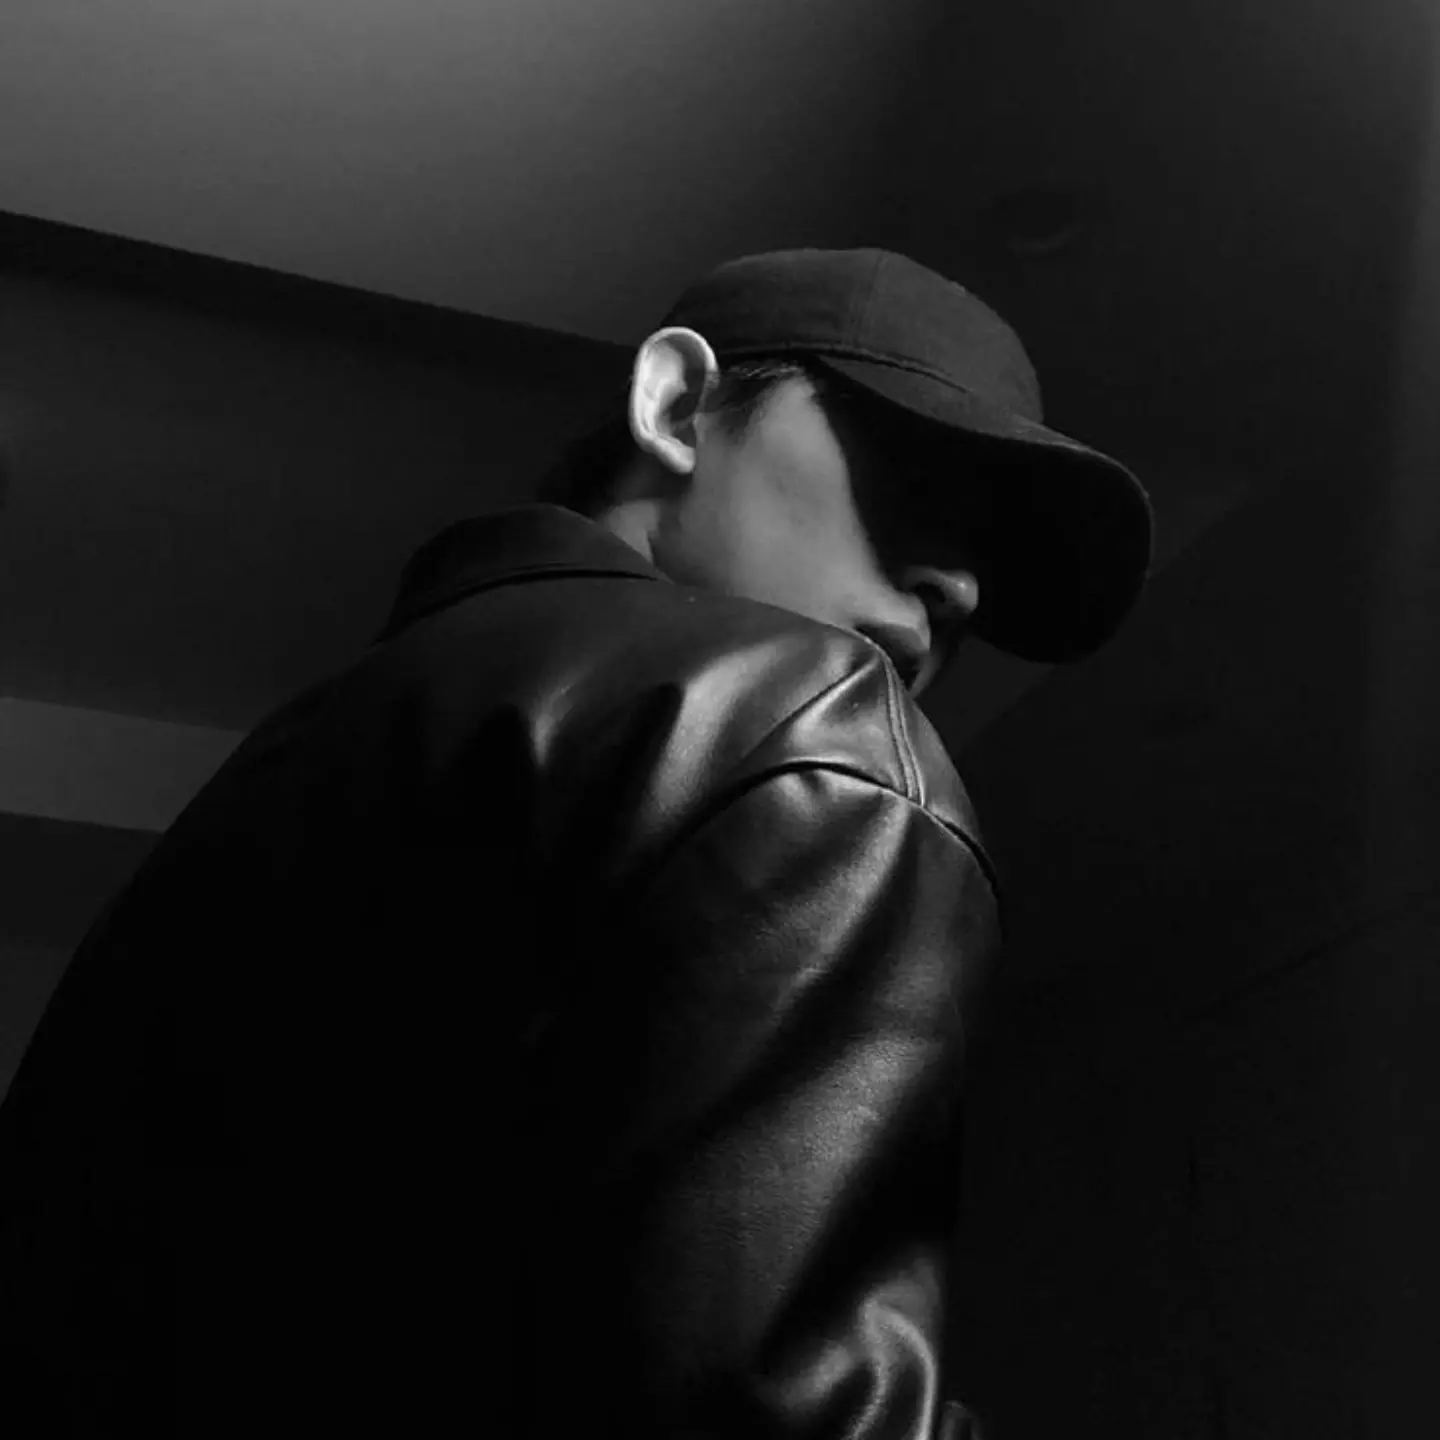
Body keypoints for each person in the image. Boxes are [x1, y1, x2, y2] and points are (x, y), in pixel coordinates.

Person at [0, 248, 1151, 1438]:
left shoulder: (298, 761)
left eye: (991, 546)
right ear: (677, 405)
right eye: (916, 465)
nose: (962, 587)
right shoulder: (803, 730)